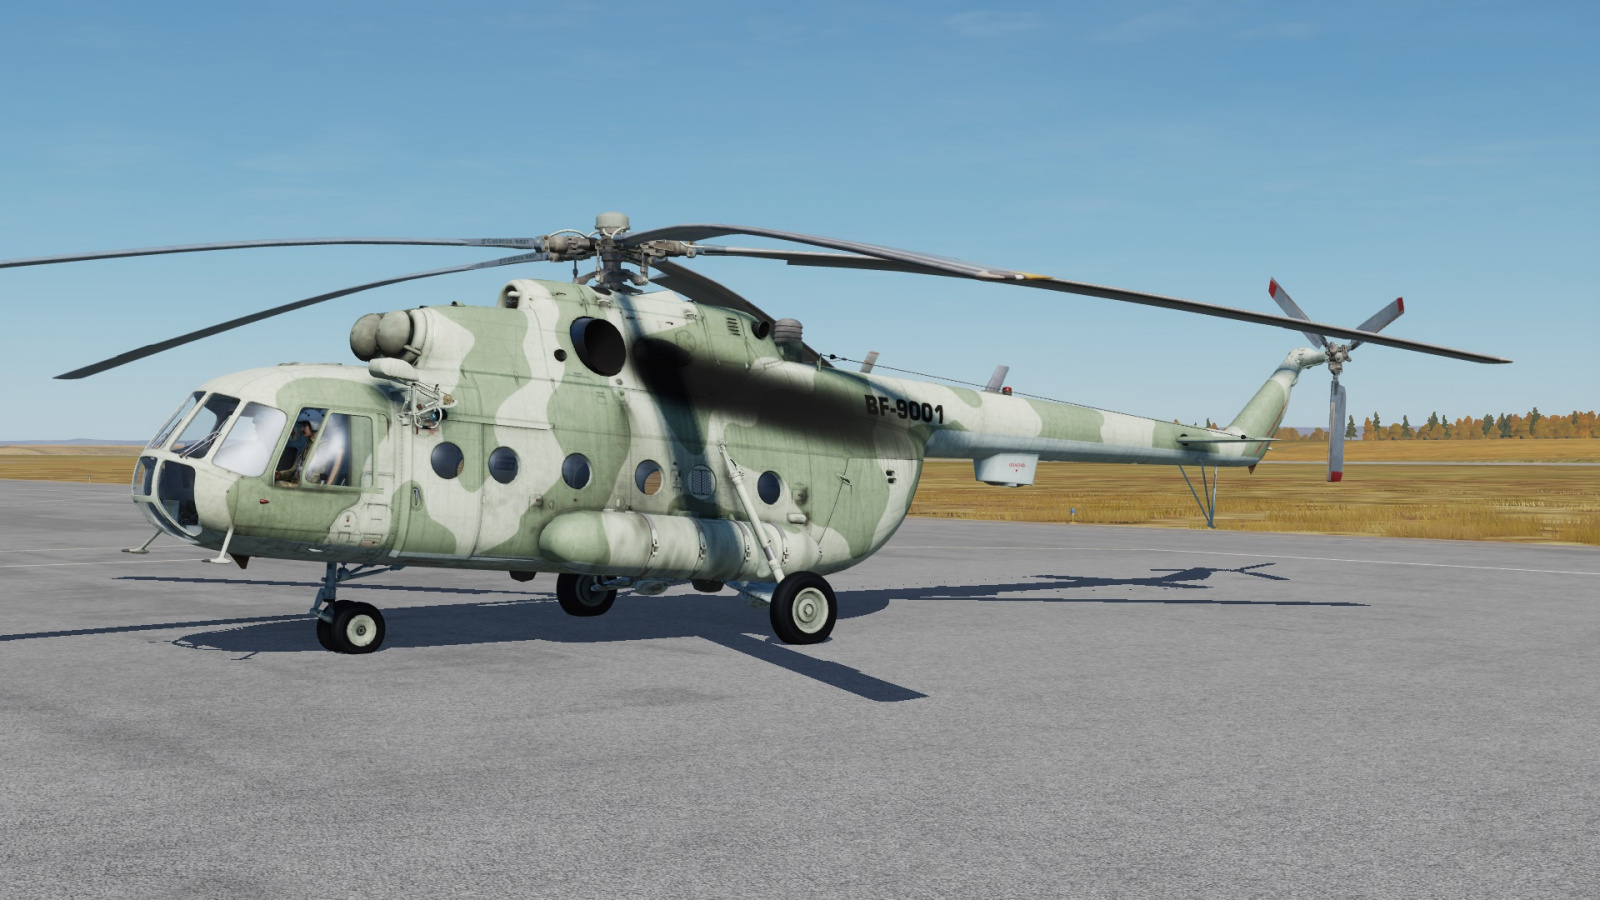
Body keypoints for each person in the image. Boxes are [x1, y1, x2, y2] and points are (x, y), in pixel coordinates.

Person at [274, 416, 319, 485]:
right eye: (301, 426)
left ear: (314, 425)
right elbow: (294, 471)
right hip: (297, 484)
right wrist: (280, 474)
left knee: (279, 484)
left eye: (304, 426)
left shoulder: (321, 446)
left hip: (304, 487)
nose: (302, 429)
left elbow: (316, 475)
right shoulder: (307, 444)